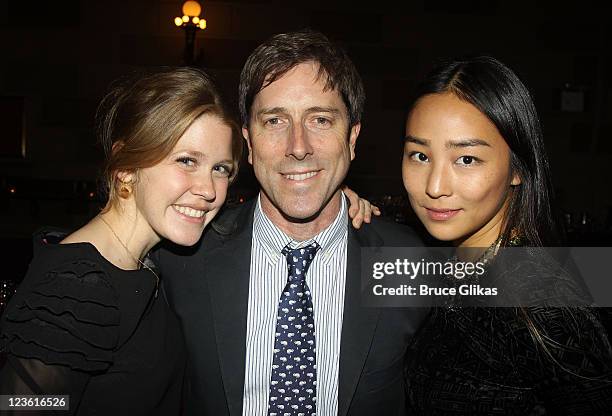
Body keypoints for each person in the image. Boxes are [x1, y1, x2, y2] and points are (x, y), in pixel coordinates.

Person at [154, 29, 428, 416]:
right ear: (248, 142)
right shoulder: (183, 257)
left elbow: (534, 286)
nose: (298, 146)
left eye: (320, 119)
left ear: (352, 139)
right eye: (275, 121)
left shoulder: (406, 261)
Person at [0, 67, 243, 415]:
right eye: (187, 161)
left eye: (221, 169)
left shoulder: (144, 261)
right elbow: (19, 405)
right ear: (127, 166)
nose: (209, 191)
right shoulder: (79, 286)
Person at [401, 56, 612, 414]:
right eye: (419, 155)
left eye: (466, 159)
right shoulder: (448, 267)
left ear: (517, 168)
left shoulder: (548, 306)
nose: (434, 187)